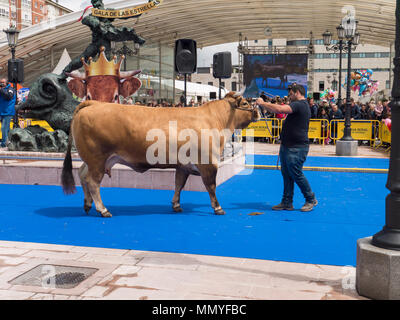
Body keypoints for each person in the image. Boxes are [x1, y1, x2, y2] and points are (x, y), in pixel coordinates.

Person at [256, 84, 318, 212]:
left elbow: (280, 109)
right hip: (289, 145)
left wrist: (263, 103)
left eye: (290, 93)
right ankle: (286, 202)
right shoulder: (301, 105)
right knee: (287, 174)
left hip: (296, 147)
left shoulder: (299, 104)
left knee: (296, 173)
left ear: (297, 93)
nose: (289, 96)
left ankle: (310, 199)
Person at [0, 78, 16, 148]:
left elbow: (9, 96)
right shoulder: (2, 90)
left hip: (8, 112)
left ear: (7, 83)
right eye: (0, 82)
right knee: (7, 128)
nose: (1, 84)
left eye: (3, 82)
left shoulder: (10, 89)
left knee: (4, 128)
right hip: (2, 111)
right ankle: (10, 141)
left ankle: (4, 143)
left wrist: (1, 90)